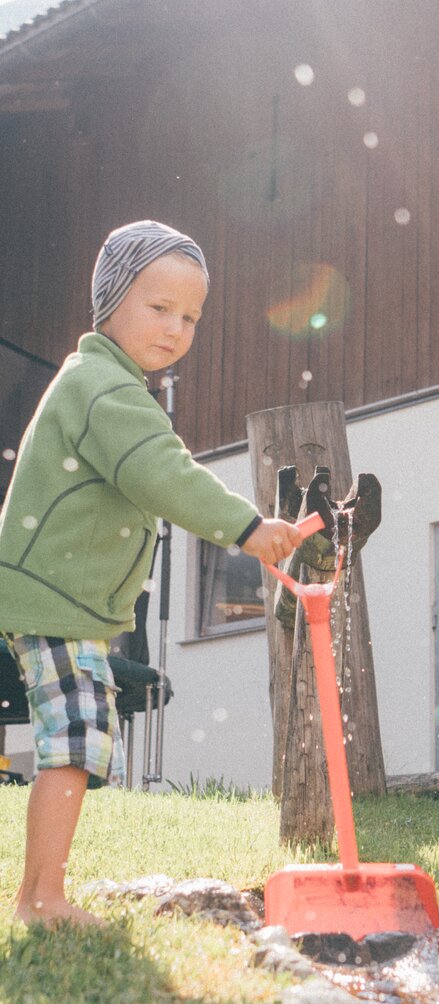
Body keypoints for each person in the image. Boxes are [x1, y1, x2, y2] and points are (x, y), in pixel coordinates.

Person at [0, 219, 305, 927]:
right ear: (109, 300)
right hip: (51, 598)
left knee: (79, 737)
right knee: (75, 740)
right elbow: (161, 475)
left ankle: (42, 893)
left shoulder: (106, 383)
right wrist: (248, 528)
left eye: (191, 316)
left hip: (60, 598)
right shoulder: (105, 389)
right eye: (158, 307)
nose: (176, 328)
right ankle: (39, 900)